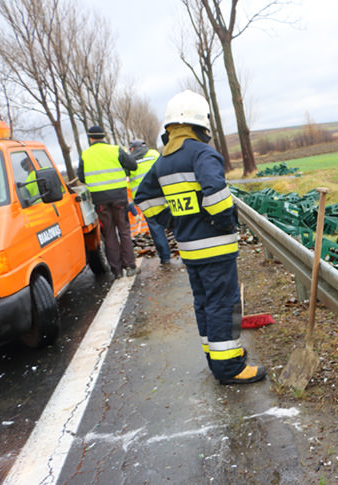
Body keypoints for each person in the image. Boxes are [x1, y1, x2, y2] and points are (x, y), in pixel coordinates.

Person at [134, 90, 266, 385]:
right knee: (226, 304)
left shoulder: (163, 162)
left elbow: (142, 196)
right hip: (216, 248)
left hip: (189, 249)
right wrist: (221, 223)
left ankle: (215, 357)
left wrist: (174, 222)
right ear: (199, 124)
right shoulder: (202, 153)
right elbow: (218, 198)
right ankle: (229, 367)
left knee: (205, 303)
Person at [78, 125, 140, 279]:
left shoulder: (85, 155)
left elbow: (81, 177)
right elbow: (133, 165)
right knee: (124, 231)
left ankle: (117, 271)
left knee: (109, 234)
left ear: (90, 138)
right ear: (103, 136)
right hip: (119, 197)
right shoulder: (115, 150)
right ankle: (131, 266)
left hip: (100, 200)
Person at [127, 139, 171, 264]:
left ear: (132, 149)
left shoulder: (129, 161)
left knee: (155, 228)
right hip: (163, 195)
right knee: (175, 222)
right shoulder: (154, 154)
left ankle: (165, 257)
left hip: (144, 200)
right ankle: (186, 253)